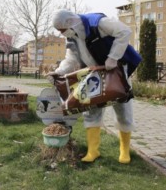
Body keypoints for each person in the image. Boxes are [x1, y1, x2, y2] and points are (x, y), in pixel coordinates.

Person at [48, 9, 141, 164]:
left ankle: (124, 151)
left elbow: (124, 31)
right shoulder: (72, 37)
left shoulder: (98, 23)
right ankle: (93, 151)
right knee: (91, 111)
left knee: (123, 110)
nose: (62, 34)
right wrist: (58, 72)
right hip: (93, 76)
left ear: (70, 22)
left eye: (62, 30)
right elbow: (71, 60)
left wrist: (113, 57)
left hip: (116, 73)